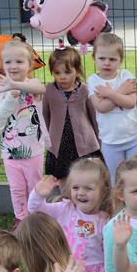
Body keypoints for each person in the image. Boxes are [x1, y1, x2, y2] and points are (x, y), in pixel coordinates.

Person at [28, 158, 114, 272]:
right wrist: (38, 195)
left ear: (103, 191)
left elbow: (110, 253)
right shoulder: (64, 209)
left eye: (88, 188)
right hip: (66, 270)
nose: (81, 193)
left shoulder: (105, 220)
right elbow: (35, 210)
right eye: (75, 188)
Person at [0, 37, 47, 226]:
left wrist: (15, 85)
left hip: (33, 151)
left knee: (35, 187)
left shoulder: (32, 85)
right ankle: (21, 219)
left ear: (29, 65)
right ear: (2, 66)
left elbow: (41, 88)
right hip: (10, 153)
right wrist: (9, 98)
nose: (13, 66)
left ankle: (37, 220)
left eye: (19, 61)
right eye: (8, 62)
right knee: (17, 189)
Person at [87, 33, 137, 183]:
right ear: (94, 58)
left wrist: (109, 94)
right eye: (102, 58)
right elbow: (101, 107)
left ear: (120, 60)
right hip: (110, 141)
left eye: (112, 59)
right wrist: (119, 92)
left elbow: (130, 103)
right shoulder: (93, 81)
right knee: (116, 180)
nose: (107, 63)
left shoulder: (126, 76)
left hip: (134, 138)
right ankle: (118, 199)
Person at [43, 47, 101, 183]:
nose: (62, 76)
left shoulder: (84, 89)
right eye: (57, 72)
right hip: (59, 145)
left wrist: (100, 139)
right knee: (62, 177)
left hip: (84, 144)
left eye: (67, 72)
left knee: (86, 178)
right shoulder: (49, 90)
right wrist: (46, 137)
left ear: (77, 71)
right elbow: (45, 115)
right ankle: (64, 196)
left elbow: (94, 116)